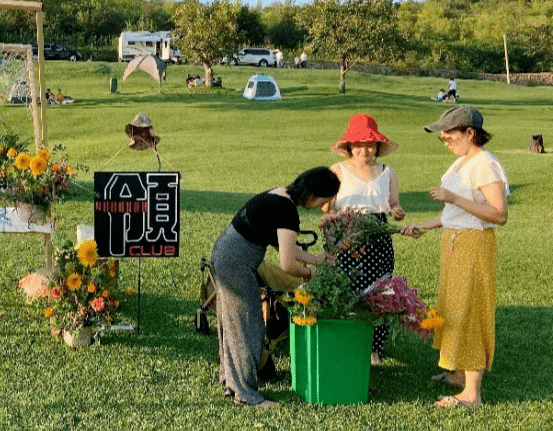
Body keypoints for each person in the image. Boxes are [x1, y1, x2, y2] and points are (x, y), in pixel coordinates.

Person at [402, 106, 509, 408]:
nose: (445, 142)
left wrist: (453, 197)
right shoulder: (463, 163)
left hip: (473, 246)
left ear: (470, 133)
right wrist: (424, 225)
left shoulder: (486, 165)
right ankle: (460, 374)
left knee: (471, 309)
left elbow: (499, 214)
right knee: (455, 307)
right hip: (455, 244)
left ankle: (471, 393)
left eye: (449, 137)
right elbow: (456, 213)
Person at [211, 166, 340, 408]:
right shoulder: (287, 210)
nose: (323, 205)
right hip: (236, 264)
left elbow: (285, 246)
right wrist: (309, 273)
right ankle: (246, 396)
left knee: (233, 324)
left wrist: (317, 259)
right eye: (324, 200)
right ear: (313, 194)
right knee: (247, 326)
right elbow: (288, 264)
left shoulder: (279, 195)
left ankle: (231, 383)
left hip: (226, 255)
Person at [323, 114, 405, 364]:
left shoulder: (388, 172)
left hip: (378, 237)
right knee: (346, 288)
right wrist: (332, 214)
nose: (365, 150)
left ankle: (374, 347)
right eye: (359, 144)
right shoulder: (336, 171)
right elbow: (325, 207)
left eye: (370, 144)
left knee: (380, 291)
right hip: (347, 236)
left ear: (378, 147)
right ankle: (346, 339)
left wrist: (397, 212)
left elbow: (394, 205)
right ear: (349, 147)